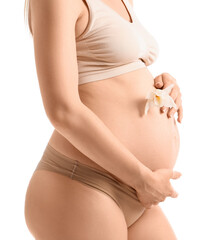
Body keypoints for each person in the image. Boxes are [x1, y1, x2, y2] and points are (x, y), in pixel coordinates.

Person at [24, 0, 183, 239]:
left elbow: (114, 69)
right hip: (82, 182)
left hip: (135, 188)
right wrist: (140, 178)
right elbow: (62, 109)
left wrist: (163, 85)